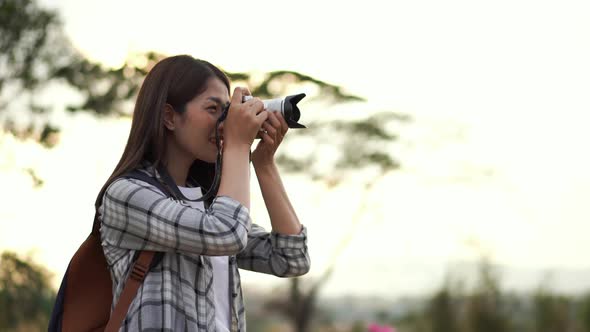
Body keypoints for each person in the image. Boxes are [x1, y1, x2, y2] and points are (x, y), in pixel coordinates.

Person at [95, 55, 311, 331]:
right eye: (213, 109)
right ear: (169, 116)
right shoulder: (127, 195)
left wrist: (264, 164)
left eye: (227, 111)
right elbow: (226, 233)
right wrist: (237, 146)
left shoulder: (208, 203)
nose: (224, 123)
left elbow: (290, 258)